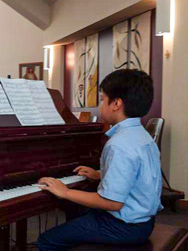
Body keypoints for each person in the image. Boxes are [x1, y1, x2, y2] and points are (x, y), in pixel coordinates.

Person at [37, 69, 163, 250]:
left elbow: (113, 203)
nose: (100, 105)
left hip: (123, 227)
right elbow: (135, 175)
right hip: (144, 223)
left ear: (116, 104)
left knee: (47, 240)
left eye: (103, 99)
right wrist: (100, 175)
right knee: (75, 209)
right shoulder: (142, 136)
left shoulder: (119, 144)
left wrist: (65, 192)